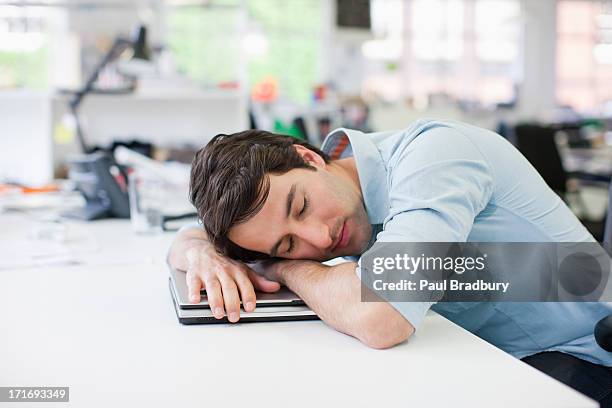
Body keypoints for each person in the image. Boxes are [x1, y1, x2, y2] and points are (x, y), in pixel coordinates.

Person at [167, 119, 612, 403]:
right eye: (286, 244)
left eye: (300, 207)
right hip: (495, 356)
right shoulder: (337, 198)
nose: (319, 238)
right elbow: (184, 238)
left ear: (309, 158)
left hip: (584, 359)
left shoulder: (433, 156)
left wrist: (282, 266)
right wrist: (203, 253)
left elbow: (383, 315)